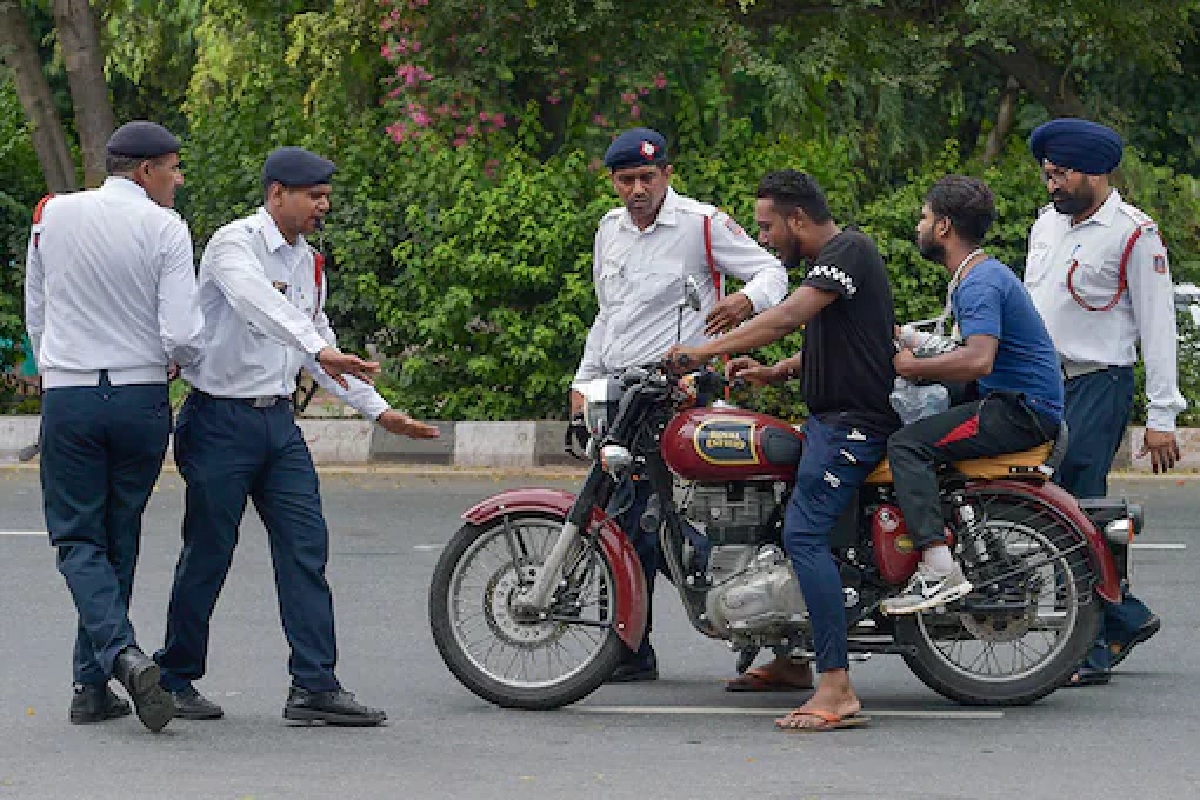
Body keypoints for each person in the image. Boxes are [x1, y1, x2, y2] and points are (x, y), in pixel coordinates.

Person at [153, 146, 441, 725]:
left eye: (326, 196)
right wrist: (316, 347)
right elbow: (260, 308)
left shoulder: (310, 263)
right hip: (218, 421)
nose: (322, 206)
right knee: (209, 552)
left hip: (276, 425)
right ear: (277, 193)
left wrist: (378, 412)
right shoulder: (234, 244)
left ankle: (314, 686)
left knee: (306, 549)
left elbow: (319, 341)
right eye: (313, 196)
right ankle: (174, 678)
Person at [667, 169, 899, 732]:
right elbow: (844, 339)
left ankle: (836, 685)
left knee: (803, 534)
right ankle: (793, 660)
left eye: (768, 226)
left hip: (852, 426)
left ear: (798, 218)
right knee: (775, 522)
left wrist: (706, 350)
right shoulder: (837, 262)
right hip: (829, 420)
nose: (765, 238)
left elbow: (790, 315)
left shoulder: (847, 250)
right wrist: (775, 373)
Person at [569, 127, 788, 682]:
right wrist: (583, 382)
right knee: (638, 517)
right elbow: (608, 315)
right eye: (626, 180)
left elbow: (773, 273)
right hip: (622, 394)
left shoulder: (701, 224)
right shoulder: (608, 231)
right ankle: (681, 626)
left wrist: (743, 301)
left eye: (648, 177)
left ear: (667, 174)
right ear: (613, 183)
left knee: (631, 514)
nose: (638, 189)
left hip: (679, 393)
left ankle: (632, 645)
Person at [25, 120, 205, 732]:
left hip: (72, 394)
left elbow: (37, 309)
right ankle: (95, 680)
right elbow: (182, 331)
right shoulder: (166, 228)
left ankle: (111, 663)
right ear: (146, 170)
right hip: (139, 395)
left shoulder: (53, 214)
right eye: (173, 168)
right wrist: (181, 361)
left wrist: (57, 366)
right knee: (118, 534)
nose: (178, 180)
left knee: (77, 539)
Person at [1024, 118, 1183, 686]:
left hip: (1097, 383)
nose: (1052, 186)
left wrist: (1162, 417)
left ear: (1095, 171)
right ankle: (1124, 615)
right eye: (1047, 175)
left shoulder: (1135, 234)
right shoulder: (1046, 226)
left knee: (1077, 507)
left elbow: (1158, 326)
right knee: (1045, 504)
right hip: (1042, 382)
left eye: (1061, 175)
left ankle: (1091, 642)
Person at [880, 176, 1063, 614]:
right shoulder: (981, 274)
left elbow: (978, 359)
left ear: (943, 227)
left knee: (906, 446)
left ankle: (939, 566)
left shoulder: (978, 283)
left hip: (1020, 410)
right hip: (1017, 399)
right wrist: (906, 337)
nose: (919, 227)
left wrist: (912, 366)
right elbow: (962, 350)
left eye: (924, 218)